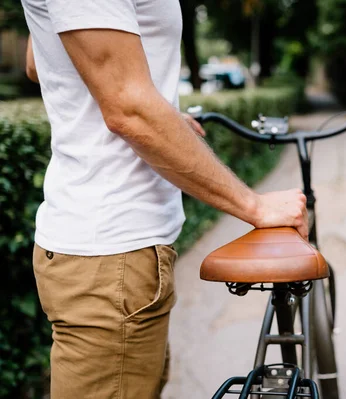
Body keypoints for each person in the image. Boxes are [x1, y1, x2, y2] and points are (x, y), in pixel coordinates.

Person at [21, 0, 308, 398]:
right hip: (112, 255)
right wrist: (255, 206)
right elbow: (127, 108)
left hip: (117, 255)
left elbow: (42, 60)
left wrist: (160, 118)